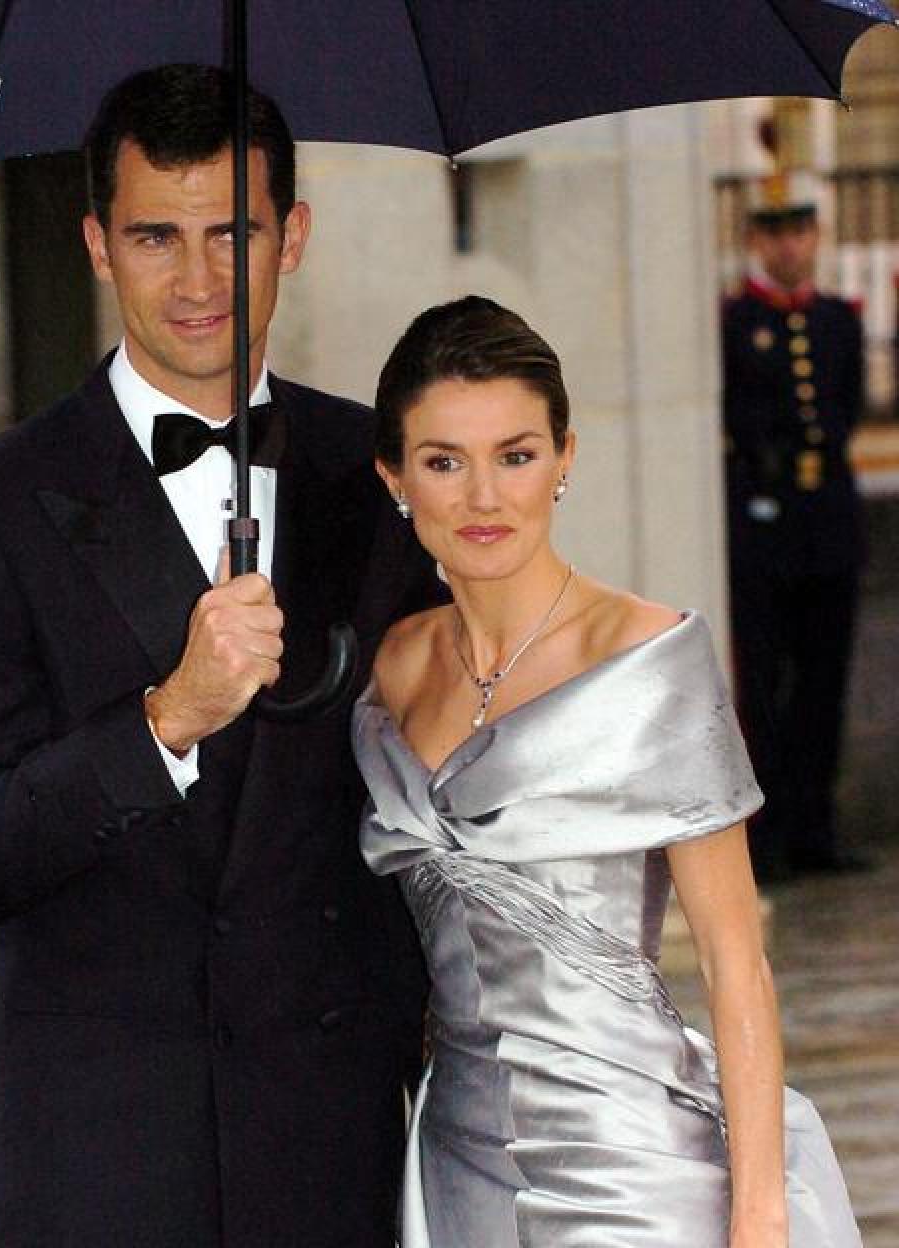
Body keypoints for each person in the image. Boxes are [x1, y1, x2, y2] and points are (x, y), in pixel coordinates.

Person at [0, 64, 436, 1247]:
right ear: (96, 243)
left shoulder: (385, 478)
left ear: (291, 235)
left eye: (231, 231)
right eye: (154, 236)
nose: (197, 281)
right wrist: (163, 722)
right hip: (95, 1155)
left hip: (333, 1144)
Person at [353, 295, 862, 1247]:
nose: (484, 497)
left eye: (516, 455)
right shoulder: (391, 670)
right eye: (443, 462)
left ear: (565, 461)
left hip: (630, 1167)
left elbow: (734, 960)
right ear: (396, 477)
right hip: (456, 1166)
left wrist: (759, 1216)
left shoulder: (652, 660)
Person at [721, 172, 868, 882]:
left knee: (823, 681)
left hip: (827, 520)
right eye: (777, 233)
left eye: (801, 232)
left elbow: (848, 409)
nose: (790, 246)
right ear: (757, 241)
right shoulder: (734, 322)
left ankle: (816, 827)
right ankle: (768, 837)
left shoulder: (840, 319)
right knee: (766, 684)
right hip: (764, 523)